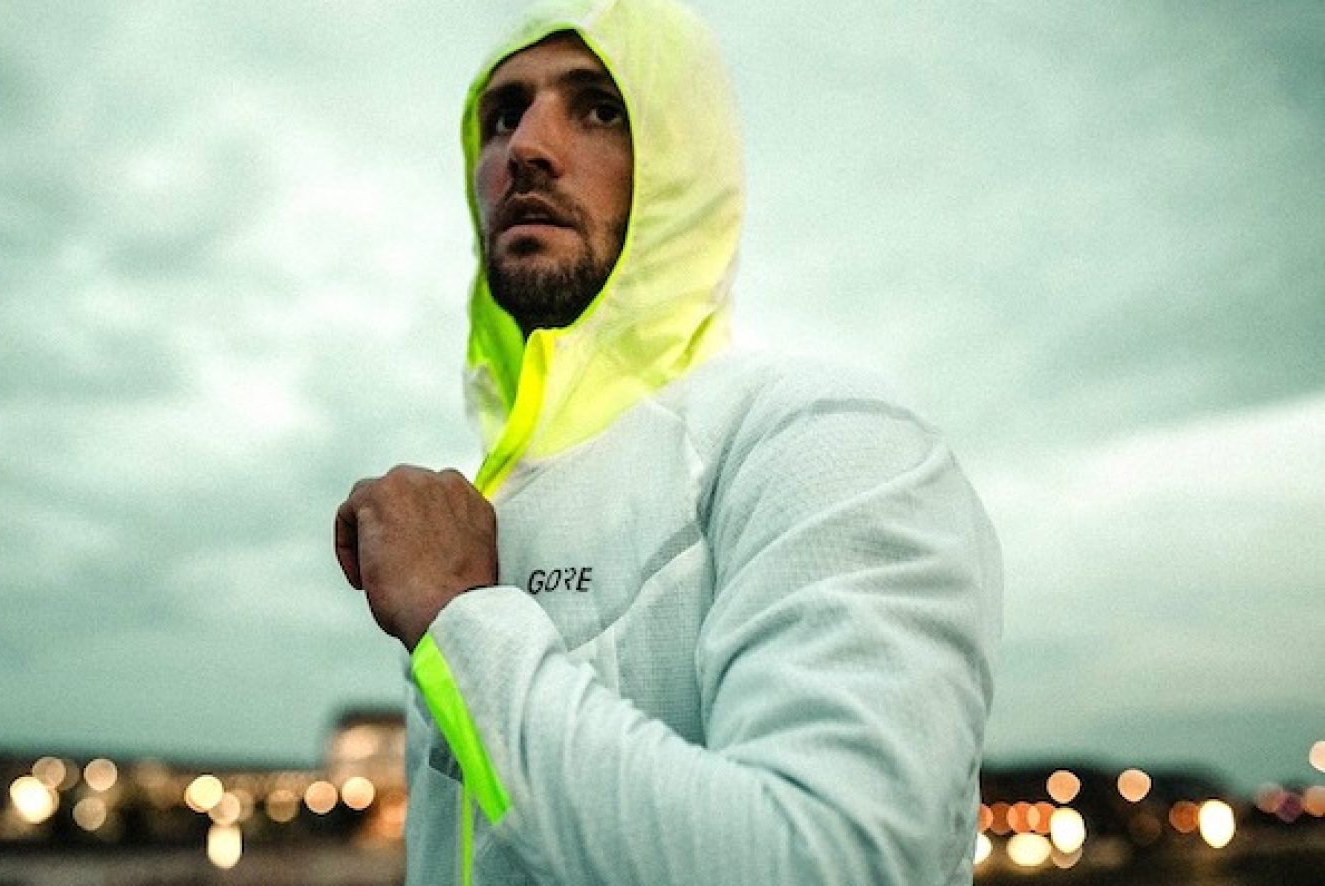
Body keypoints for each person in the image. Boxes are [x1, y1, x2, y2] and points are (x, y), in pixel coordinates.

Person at [332, 0, 1003, 882]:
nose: (526, 147)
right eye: (502, 116)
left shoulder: (821, 436)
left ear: (684, 165)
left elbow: (831, 859)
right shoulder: (489, 506)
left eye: (599, 107)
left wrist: (460, 619)